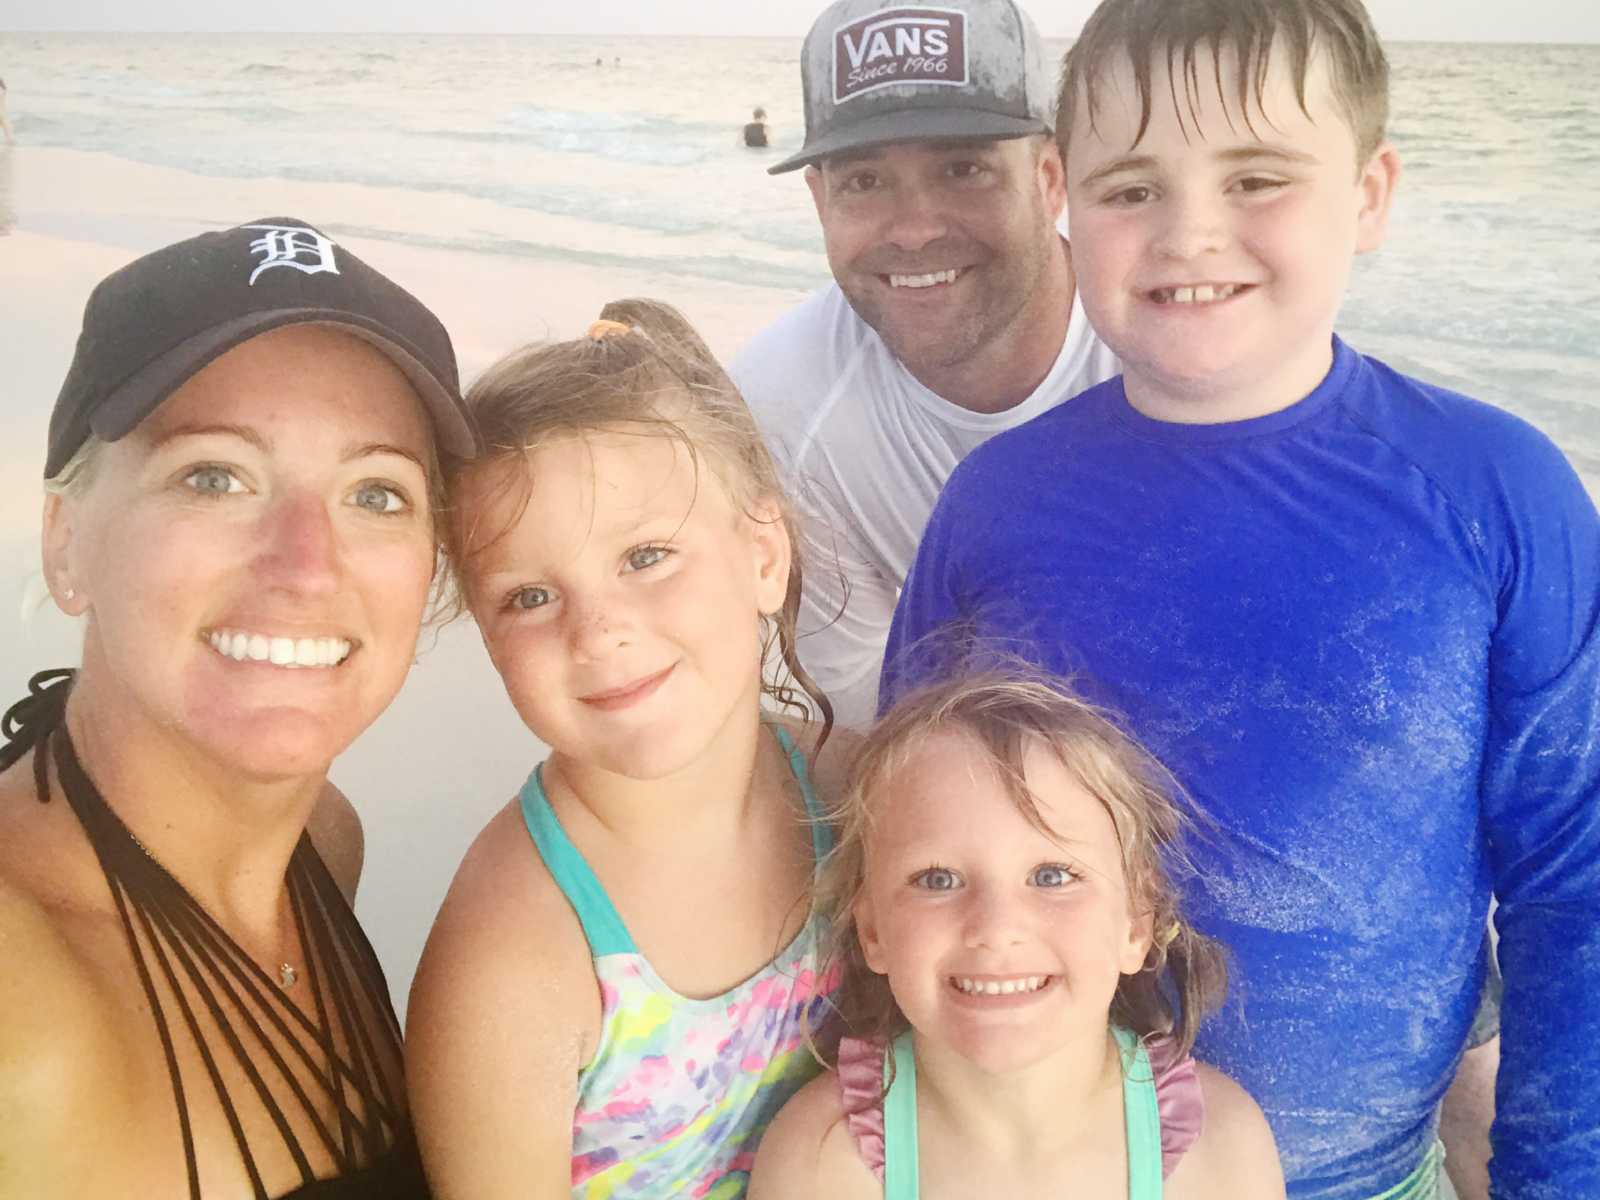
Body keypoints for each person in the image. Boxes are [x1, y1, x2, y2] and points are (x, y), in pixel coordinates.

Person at [883, 0, 1600, 1195]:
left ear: (1368, 194)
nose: (1188, 233)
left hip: (1371, 1173)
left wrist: (1551, 1176)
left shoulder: (1496, 491)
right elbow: (905, 850)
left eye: (1258, 176)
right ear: (1059, 193)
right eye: (1130, 191)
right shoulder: (993, 505)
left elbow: (1572, 877)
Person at [0, 217, 479, 1198]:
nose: (305, 564)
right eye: (213, 476)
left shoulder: (324, 845)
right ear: (66, 541)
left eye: (376, 493)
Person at [406, 299, 848, 1198]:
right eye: (530, 597)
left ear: (765, 556)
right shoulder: (516, 959)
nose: (599, 632)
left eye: (647, 557)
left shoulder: (853, 795)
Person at [750, 664, 1284, 1198]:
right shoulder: (819, 1161)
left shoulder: (1222, 1153)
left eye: (1052, 877)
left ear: (1137, 921)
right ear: (871, 930)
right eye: (938, 879)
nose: (997, 929)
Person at [729, 0, 1119, 730]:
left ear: (1051, 176)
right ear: (819, 200)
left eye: (963, 168)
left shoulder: (1162, 354)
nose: (914, 231)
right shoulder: (782, 412)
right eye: (865, 182)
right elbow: (855, 731)